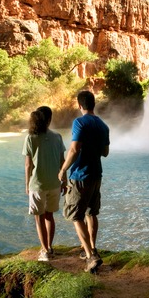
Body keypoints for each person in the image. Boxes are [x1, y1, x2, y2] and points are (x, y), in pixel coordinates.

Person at [58, 90, 109, 273]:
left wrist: (63, 169)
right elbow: (105, 152)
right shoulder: (103, 125)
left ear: (80, 106)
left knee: (75, 215)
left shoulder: (79, 122)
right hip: (97, 175)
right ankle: (92, 248)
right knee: (91, 213)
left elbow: (74, 149)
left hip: (80, 175)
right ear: (93, 104)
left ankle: (90, 256)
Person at [23, 106, 66, 262]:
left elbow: (28, 165)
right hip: (55, 183)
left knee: (39, 218)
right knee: (49, 216)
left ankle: (45, 251)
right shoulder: (58, 137)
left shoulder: (31, 138)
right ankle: (50, 247)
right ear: (49, 120)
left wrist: (27, 184)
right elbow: (63, 162)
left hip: (38, 184)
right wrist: (64, 181)